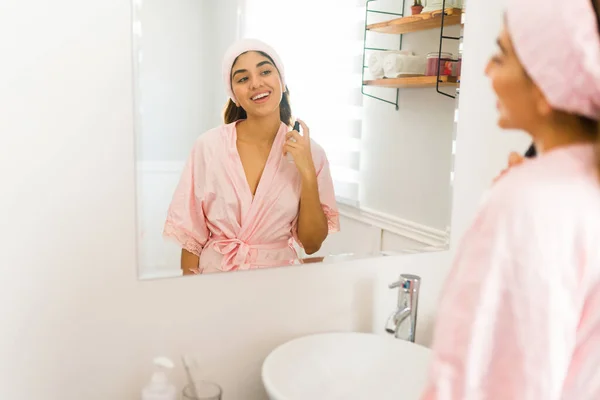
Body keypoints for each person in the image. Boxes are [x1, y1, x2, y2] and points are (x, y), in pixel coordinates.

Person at [422, 0, 600, 398]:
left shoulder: (528, 200)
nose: (485, 70)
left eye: (501, 56)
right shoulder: (583, 184)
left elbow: (490, 380)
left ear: (545, 86)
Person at [163, 39, 340, 275]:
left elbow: (311, 244)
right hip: (216, 279)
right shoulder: (209, 147)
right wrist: (193, 301)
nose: (256, 83)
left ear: (281, 80)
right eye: (243, 78)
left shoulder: (311, 152)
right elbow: (191, 238)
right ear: (233, 93)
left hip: (279, 284)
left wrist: (307, 172)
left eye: (265, 71)